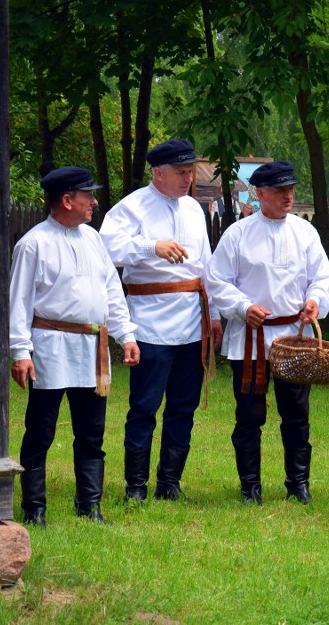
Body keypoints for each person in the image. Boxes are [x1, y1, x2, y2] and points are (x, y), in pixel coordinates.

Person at [10, 166, 140, 526]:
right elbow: (18, 302)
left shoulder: (93, 239)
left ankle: (89, 507)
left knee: (91, 431)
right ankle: (34, 510)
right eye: (88, 195)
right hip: (50, 347)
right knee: (40, 430)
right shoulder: (33, 244)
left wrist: (125, 335)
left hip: (91, 350)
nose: (94, 202)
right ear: (67, 200)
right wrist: (21, 352)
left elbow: (111, 291)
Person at [100, 138, 222, 503]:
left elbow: (206, 265)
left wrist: (213, 313)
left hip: (190, 321)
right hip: (149, 322)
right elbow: (104, 246)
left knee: (183, 407)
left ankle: (170, 484)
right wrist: (150, 246)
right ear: (159, 172)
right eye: (181, 172)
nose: (188, 179)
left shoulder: (194, 210)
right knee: (144, 407)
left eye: (190, 172)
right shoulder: (132, 207)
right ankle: (135, 488)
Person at [206, 161, 329, 505]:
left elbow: (322, 276)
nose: (287, 195)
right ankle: (250, 487)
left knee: (296, 414)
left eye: (290, 189)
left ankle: (298, 485)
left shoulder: (305, 233)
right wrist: (243, 306)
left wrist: (314, 300)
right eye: (279, 190)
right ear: (260, 194)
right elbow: (216, 280)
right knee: (249, 416)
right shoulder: (239, 233)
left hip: (294, 337)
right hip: (250, 339)